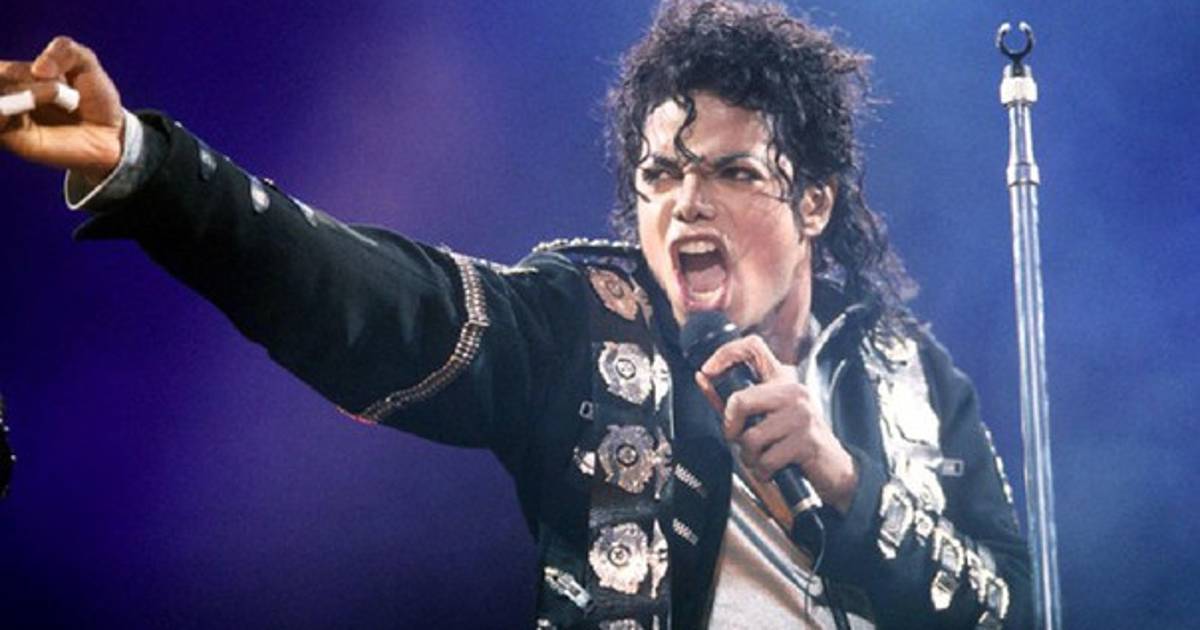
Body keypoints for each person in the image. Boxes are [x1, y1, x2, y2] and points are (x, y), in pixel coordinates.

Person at [0, 1, 1029, 627]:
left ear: (815, 203)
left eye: (732, 172)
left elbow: (1021, 608)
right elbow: (376, 296)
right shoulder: (582, 325)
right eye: (660, 174)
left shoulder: (914, 378)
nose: (686, 204)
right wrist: (149, 166)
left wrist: (849, 492)